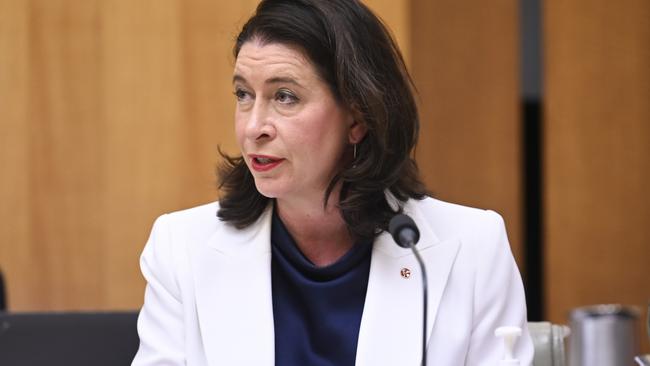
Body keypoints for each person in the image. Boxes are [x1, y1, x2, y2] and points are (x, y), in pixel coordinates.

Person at [132, 0, 534, 365]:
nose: (253, 127)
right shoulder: (180, 248)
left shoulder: (474, 248)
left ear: (357, 118)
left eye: (285, 96)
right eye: (243, 94)